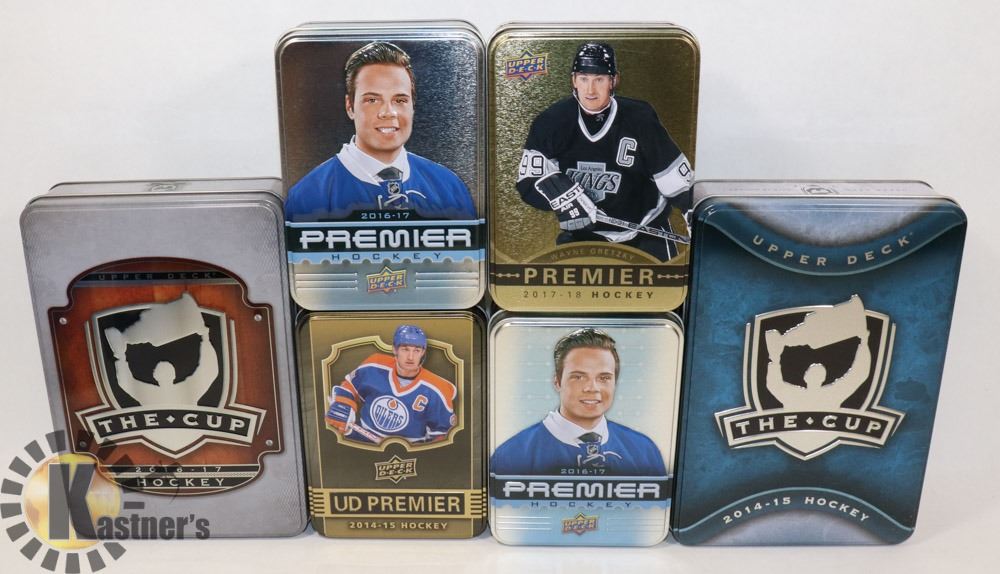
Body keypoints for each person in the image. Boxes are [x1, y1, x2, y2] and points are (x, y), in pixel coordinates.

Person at [515, 42, 693, 260]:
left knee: (663, 282)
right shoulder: (551, 121)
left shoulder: (640, 118)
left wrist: (691, 211)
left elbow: (673, 176)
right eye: (584, 79)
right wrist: (560, 196)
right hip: (584, 235)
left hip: (646, 231)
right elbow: (528, 180)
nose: (590, 90)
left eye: (599, 79)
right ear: (574, 80)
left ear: (613, 81)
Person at [286, 41, 476, 221]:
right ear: (350, 106)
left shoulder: (449, 187)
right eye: (372, 100)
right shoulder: (308, 195)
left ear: (412, 106)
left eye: (400, 100)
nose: (388, 112)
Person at [491, 328, 665, 475]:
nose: (592, 388)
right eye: (579, 377)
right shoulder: (511, 455)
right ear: (557, 382)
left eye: (604, 378)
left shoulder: (644, 450)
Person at [326, 325, 457, 444]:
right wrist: (343, 404)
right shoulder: (374, 365)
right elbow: (350, 387)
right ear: (394, 349)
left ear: (423, 352)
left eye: (417, 350)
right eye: (405, 349)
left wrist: (425, 453)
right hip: (361, 438)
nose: (411, 357)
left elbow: (443, 435)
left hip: (409, 450)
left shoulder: (437, 389)